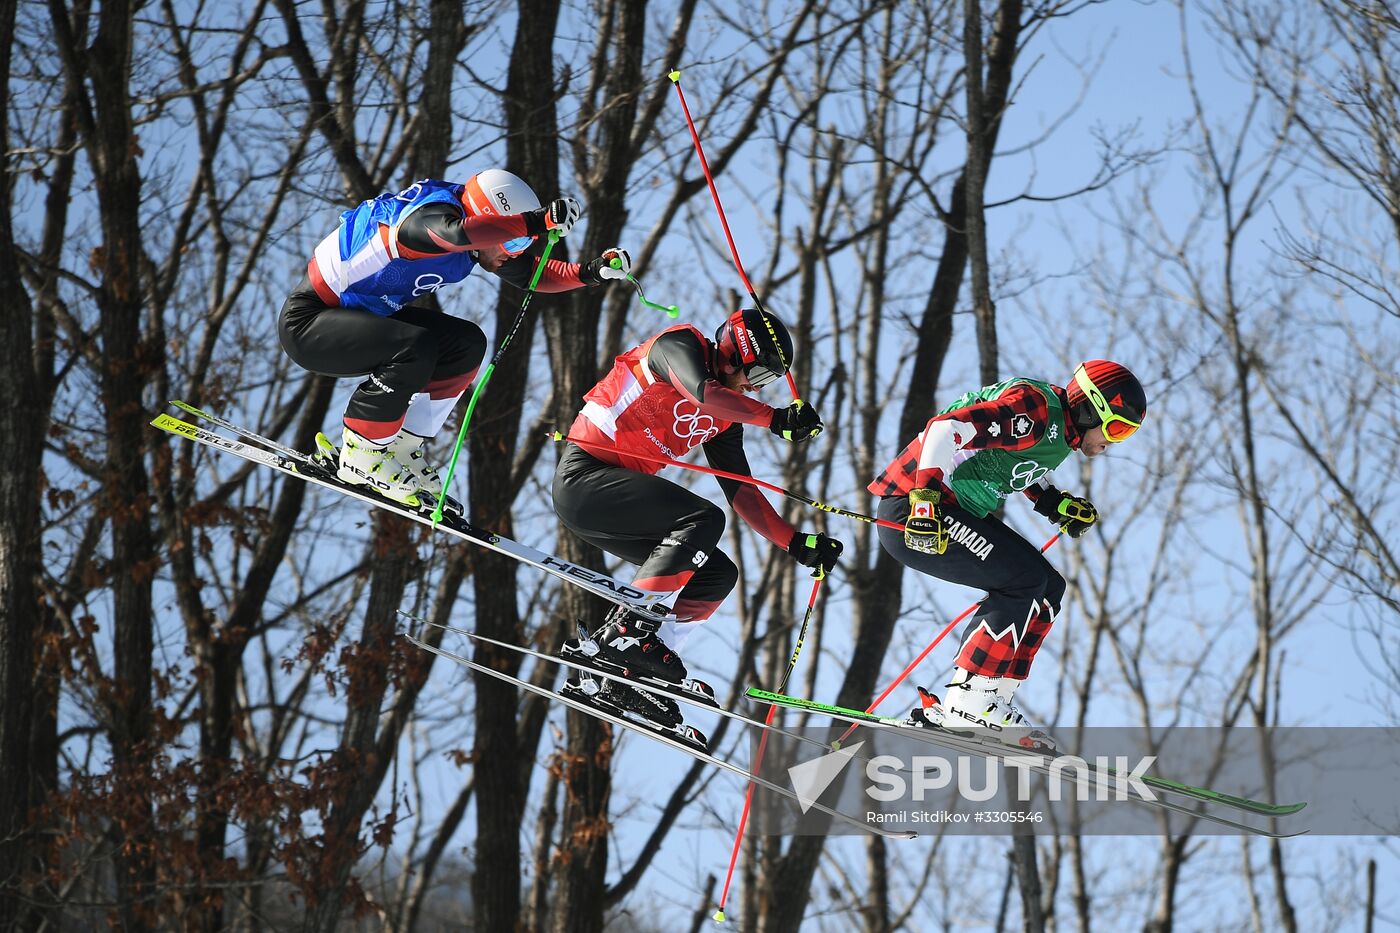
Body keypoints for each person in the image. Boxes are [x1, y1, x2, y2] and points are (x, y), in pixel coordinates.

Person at [278, 169, 631, 505]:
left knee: (466, 344)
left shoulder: (476, 246)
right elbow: (450, 234)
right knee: (414, 347)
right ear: (484, 217)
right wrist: (536, 221)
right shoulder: (427, 218)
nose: (516, 251)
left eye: (524, 243)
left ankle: (400, 446)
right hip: (310, 322)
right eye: (515, 240)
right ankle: (363, 451)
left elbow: (531, 274)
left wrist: (591, 272)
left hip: (361, 321)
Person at [553, 308, 843, 686]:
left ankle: (634, 669)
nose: (757, 388)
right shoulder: (678, 345)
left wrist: (795, 544)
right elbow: (703, 392)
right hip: (585, 477)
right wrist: (775, 418)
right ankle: (628, 633)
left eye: (768, 381)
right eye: (758, 374)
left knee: (716, 574)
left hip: (615, 510)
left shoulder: (726, 418)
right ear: (736, 351)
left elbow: (741, 490)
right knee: (703, 519)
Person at [869, 360, 1147, 749]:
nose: (1112, 443)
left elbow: (1012, 462)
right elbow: (945, 430)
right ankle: (968, 703)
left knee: (1049, 586)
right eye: (1116, 428)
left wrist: (1053, 502)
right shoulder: (1033, 411)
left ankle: (992, 700)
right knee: (1023, 579)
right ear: (1090, 408)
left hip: (947, 510)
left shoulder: (1057, 432)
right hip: (914, 509)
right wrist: (925, 500)